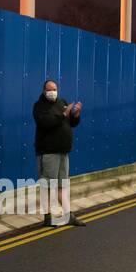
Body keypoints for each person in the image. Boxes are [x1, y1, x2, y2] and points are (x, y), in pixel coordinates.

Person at [32, 79, 85, 227]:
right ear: (44, 91)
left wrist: (75, 115)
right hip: (48, 153)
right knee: (48, 186)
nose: (53, 92)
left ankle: (68, 215)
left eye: (55, 89)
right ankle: (47, 217)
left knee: (62, 186)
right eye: (50, 90)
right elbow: (46, 123)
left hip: (63, 152)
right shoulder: (39, 106)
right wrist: (63, 115)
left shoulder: (62, 102)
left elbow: (70, 124)